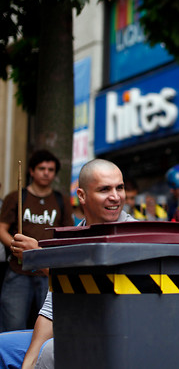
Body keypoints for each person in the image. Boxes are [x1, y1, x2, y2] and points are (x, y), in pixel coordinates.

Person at [0, 158, 135, 369]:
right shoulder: (71, 239)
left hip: (117, 337)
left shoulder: (136, 235)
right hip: (72, 328)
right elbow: (52, 309)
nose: (115, 197)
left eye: (120, 187)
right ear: (81, 195)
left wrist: (39, 257)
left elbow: (103, 291)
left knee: (50, 351)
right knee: (3, 347)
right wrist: (29, 361)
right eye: (104, 189)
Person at [0, 150, 73, 332]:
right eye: (42, 168)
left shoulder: (61, 200)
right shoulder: (16, 197)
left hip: (49, 275)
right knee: (12, 327)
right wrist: (18, 248)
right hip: (18, 271)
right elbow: (1, 229)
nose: (46, 172)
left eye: (51, 169)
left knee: (49, 328)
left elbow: (68, 235)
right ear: (31, 171)